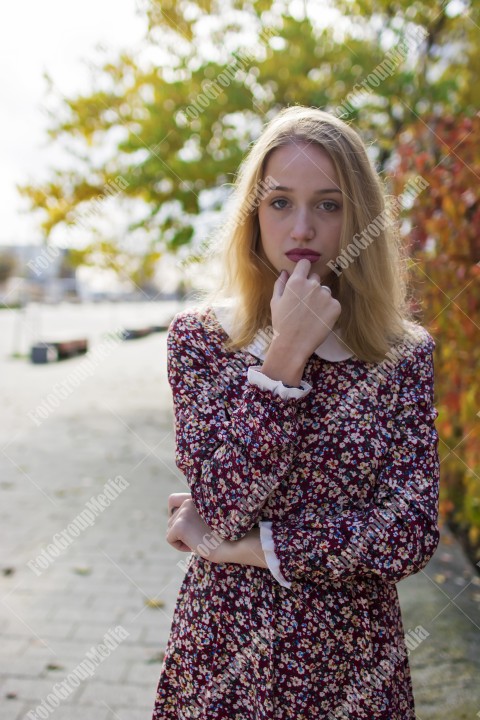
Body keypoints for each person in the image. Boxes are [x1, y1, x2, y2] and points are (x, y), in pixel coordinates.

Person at [151, 106, 440, 720]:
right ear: (253, 214)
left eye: (328, 205)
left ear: (357, 217)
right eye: (280, 202)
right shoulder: (201, 341)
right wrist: (284, 355)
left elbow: (410, 534)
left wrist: (254, 547)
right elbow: (223, 505)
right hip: (227, 650)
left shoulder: (403, 355)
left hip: (354, 659)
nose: (302, 227)